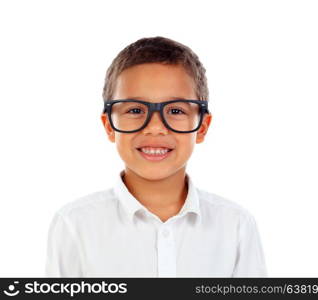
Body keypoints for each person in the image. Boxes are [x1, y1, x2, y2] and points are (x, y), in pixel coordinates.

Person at [45, 36, 267, 277]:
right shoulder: (74, 224)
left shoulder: (236, 226)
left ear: (202, 126)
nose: (155, 127)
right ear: (109, 125)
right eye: (135, 110)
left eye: (175, 110)